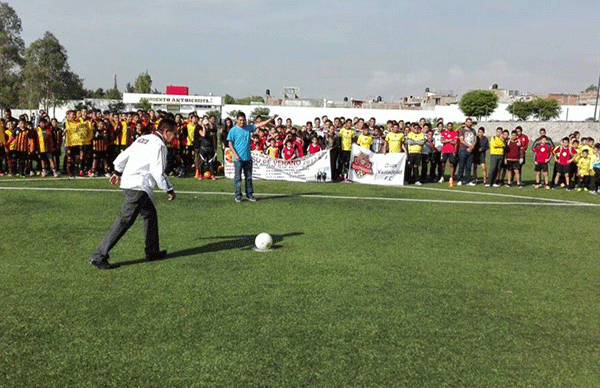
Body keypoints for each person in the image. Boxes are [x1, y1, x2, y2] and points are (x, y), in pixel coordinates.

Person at [89, 118, 178, 270]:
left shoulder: (143, 139)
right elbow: (158, 172)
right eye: (174, 134)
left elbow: (125, 155)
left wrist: (117, 171)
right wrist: (169, 189)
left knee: (149, 214)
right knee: (125, 220)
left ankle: (152, 251)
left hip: (129, 182)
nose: (175, 137)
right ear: (166, 132)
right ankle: (99, 255)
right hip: (138, 186)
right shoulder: (160, 145)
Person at [227, 112, 278, 202]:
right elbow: (230, 143)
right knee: (238, 177)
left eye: (243, 120)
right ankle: (238, 195)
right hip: (238, 159)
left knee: (249, 177)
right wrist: (235, 155)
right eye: (240, 120)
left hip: (248, 158)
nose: (242, 122)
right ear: (237, 120)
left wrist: (270, 119)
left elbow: (260, 124)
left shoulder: (248, 128)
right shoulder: (233, 130)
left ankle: (249, 195)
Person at [456, 118, 477, 186]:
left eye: (470, 122)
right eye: (468, 122)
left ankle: (468, 180)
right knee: (461, 165)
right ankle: (459, 179)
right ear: (465, 123)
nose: (469, 123)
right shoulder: (462, 130)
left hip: (471, 150)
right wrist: (468, 146)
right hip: (463, 150)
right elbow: (461, 140)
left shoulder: (473, 130)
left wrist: (472, 146)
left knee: (469, 166)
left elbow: (475, 139)